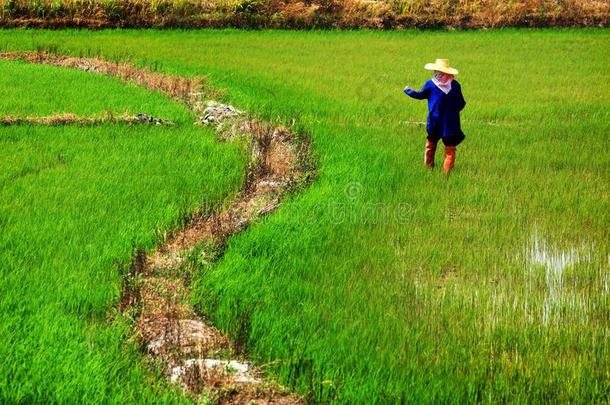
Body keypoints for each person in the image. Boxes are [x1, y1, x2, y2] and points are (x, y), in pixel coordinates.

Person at [404, 59, 466, 174]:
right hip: (450, 124)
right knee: (450, 149)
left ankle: (428, 169)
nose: (436, 72)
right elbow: (461, 103)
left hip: (434, 122)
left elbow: (420, 95)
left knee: (431, 145)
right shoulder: (455, 85)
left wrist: (407, 90)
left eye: (437, 70)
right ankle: (446, 176)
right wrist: (452, 113)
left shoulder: (431, 84)